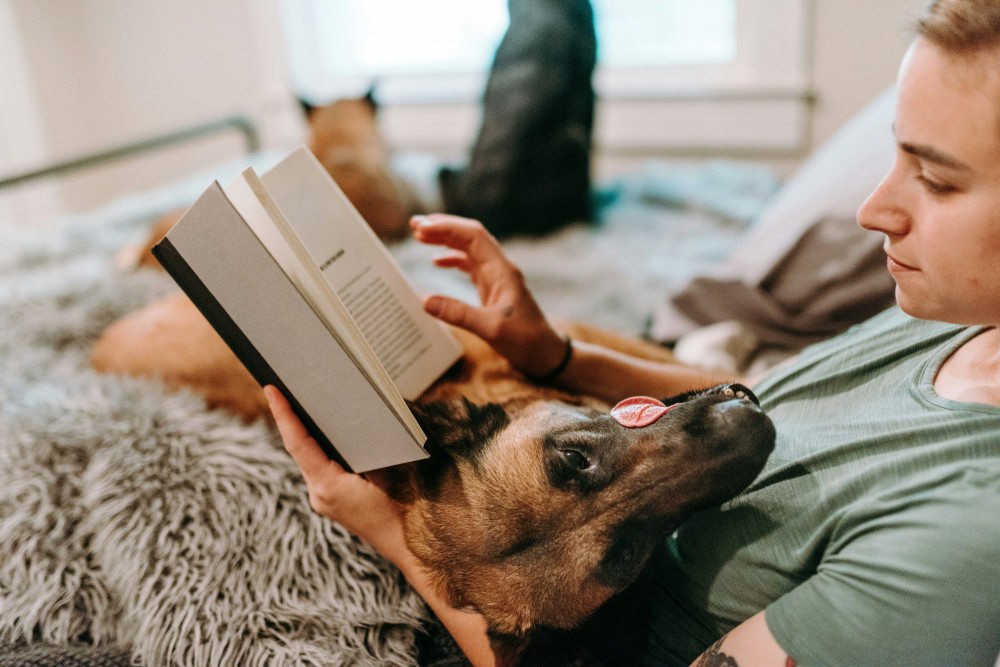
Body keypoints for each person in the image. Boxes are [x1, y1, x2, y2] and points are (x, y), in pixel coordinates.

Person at [265, 0, 1000, 664]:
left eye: (936, 179)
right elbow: (782, 398)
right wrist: (559, 356)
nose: (873, 210)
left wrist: (390, 535)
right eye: (897, 155)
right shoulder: (953, 318)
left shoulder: (966, 532)